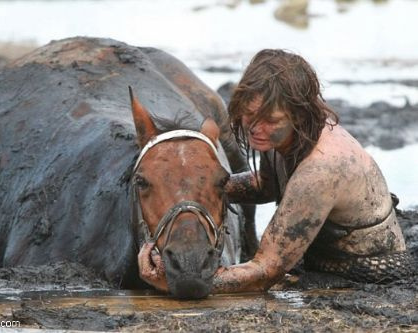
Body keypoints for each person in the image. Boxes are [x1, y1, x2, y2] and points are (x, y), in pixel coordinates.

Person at [138, 49, 411, 293]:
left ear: (300, 115)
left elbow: (265, 270)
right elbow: (266, 185)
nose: (256, 128)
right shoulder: (282, 136)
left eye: (270, 120)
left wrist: (178, 279)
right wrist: (201, 190)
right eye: (249, 115)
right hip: (320, 257)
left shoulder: (322, 169)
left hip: (365, 272)